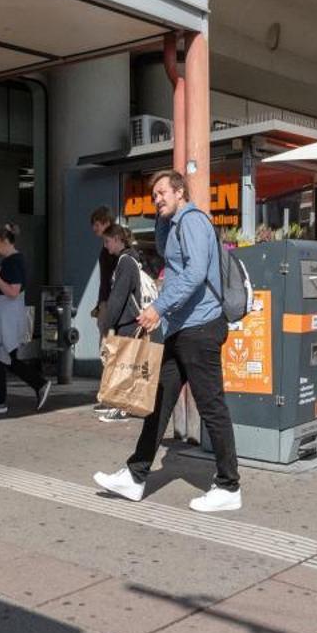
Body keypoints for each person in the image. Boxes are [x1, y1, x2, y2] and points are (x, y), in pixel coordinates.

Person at [93, 170, 241, 512]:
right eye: (154, 194)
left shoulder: (192, 221)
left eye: (162, 192)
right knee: (159, 402)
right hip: (183, 328)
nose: (156, 198)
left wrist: (158, 308)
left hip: (200, 327)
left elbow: (195, 272)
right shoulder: (176, 224)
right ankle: (135, 476)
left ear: (179, 192)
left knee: (211, 406)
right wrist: (161, 219)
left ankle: (229, 485)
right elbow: (164, 250)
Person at [0, 223, 52, 417]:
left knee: (0, 357)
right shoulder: (13, 261)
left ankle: (3, 398)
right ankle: (3, 398)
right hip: (6, 316)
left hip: (5, 317)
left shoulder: (13, 261)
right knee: (3, 357)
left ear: (5, 241)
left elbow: (12, 291)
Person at [91, 223, 150, 423]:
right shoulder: (130, 260)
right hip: (131, 320)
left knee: (124, 366)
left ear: (117, 239)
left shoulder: (125, 262)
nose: (106, 246)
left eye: (107, 241)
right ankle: (123, 406)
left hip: (128, 322)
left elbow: (118, 298)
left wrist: (108, 325)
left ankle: (122, 408)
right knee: (127, 366)